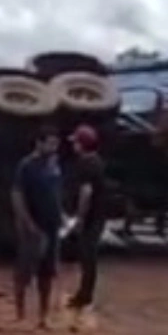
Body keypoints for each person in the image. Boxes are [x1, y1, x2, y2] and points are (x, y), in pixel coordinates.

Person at [11, 126, 63, 326]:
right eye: (50, 143)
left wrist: (63, 217)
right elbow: (17, 195)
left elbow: (56, 194)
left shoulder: (54, 165)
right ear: (39, 143)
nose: (54, 147)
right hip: (34, 225)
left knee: (47, 273)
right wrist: (27, 222)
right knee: (25, 271)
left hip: (52, 226)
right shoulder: (27, 166)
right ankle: (20, 314)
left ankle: (43, 316)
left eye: (55, 144)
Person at [66, 125, 107, 311]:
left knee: (87, 257)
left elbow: (86, 192)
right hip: (97, 216)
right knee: (88, 257)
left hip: (92, 217)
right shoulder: (96, 161)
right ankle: (85, 294)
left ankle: (84, 296)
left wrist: (80, 218)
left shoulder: (86, 163)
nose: (74, 145)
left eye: (76, 142)